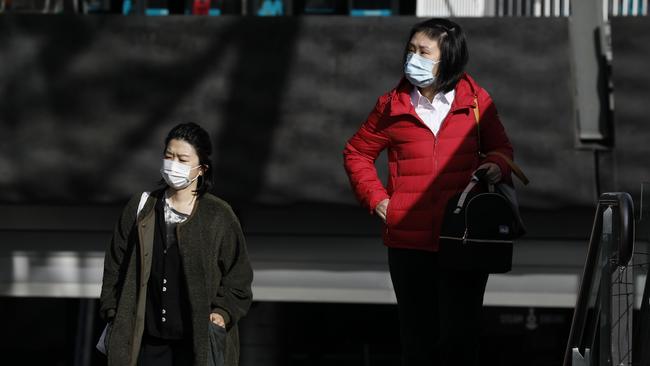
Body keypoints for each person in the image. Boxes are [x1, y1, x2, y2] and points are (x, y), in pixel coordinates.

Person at [343, 18, 514, 366]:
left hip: (462, 238)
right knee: (417, 340)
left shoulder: (477, 101)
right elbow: (356, 152)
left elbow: (502, 149)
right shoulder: (391, 105)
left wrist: (497, 165)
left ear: (448, 57)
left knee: (460, 339)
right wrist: (377, 200)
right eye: (410, 50)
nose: (413, 59)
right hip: (409, 242)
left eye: (424, 52)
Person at [99, 122, 253, 366]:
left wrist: (222, 313)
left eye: (182, 159)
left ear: (201, 169)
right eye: (169, 156)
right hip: (145, 344)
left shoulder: (219, 215)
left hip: (194, 345)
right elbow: (114, 265)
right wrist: (114, 311)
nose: (173, 164)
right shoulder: (141, 207)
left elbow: (239, 277)